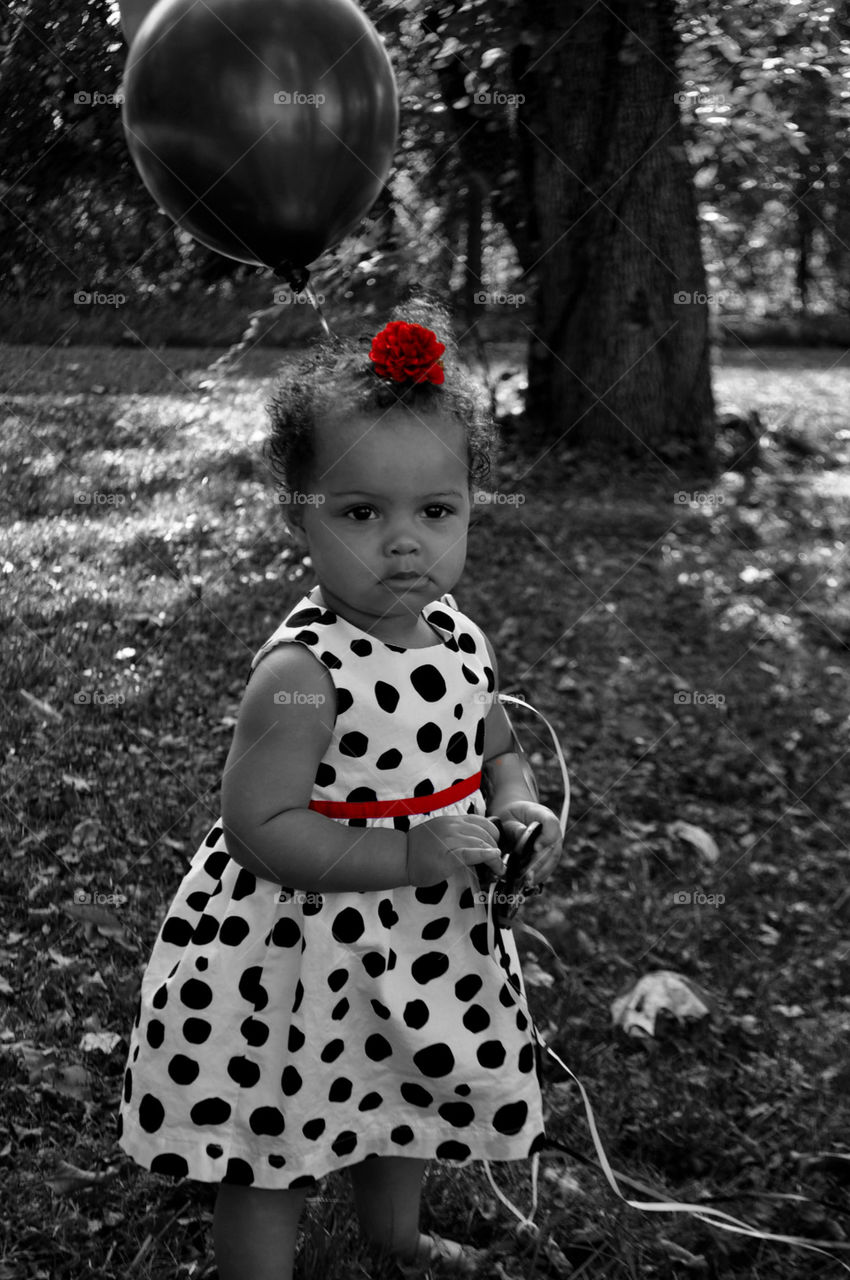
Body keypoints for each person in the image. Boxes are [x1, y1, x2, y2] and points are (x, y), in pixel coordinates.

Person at [117, 295, 564, 1279]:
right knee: (276, 1132)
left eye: (435, 512)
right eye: (362, 512)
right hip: (299, 949)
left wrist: (518, 800)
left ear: (468, 512)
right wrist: (408, 851)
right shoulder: (303, 670)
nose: (404, 542)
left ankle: (395, 1238)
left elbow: (489, 738)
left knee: (405, 1086)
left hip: (425, 933)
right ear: (300, 518)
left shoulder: (457, 634)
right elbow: (258, 825)